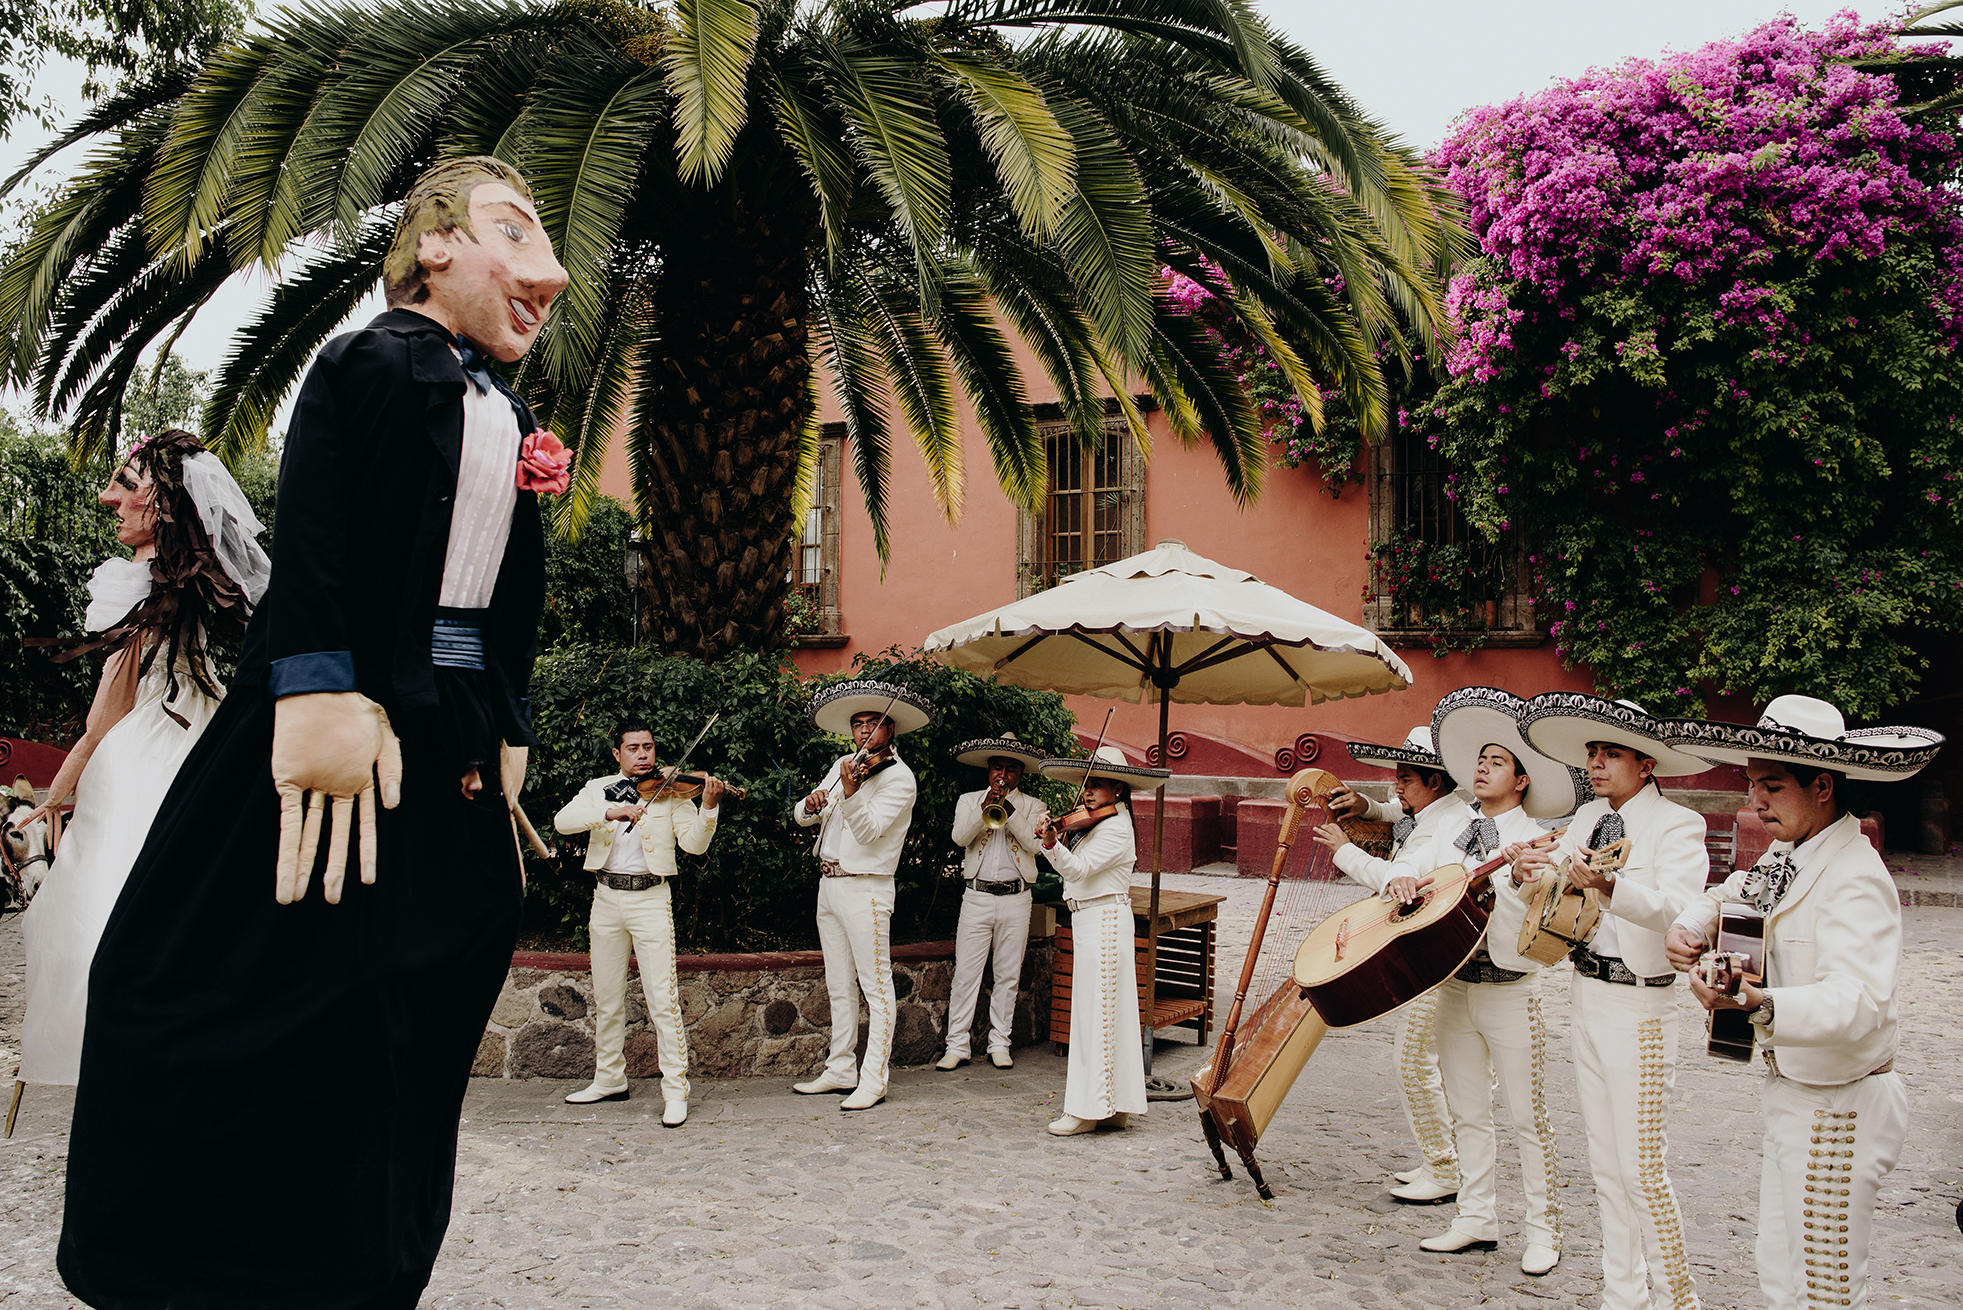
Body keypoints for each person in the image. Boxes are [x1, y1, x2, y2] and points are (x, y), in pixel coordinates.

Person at [56, 156, 569, 1310]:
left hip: (444, 743)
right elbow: (322, 538)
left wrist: (505, 716)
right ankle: (191, 1256)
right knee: (198, 971)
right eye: (511, 228)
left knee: (406, 1006)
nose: (550, 269)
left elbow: (501, 592)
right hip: (333, 728)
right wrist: (321, 687)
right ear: (433, 245)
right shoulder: (375, 357)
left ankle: (360, 1258)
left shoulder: (504, 403)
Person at [1663, 695, 1942, 1310]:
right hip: (1794, 1089)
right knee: (1780, 1271)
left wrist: (1762, 1005)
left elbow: (1859, 1001)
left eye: (1772, 786)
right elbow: (1735, 890)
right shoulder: (1792, 850)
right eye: (1752, 783)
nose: (1756, 801)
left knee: (1826, 1284)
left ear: (1821, 785)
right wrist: (1693, 922)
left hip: (1841, 1105)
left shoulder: (1854, 875)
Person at [14, 430, 268, 1105]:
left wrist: (59, 791)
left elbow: (108, 713)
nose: (107, 498)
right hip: (193, 745)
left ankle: (122, 1054)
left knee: (101, 905)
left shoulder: (148, 592)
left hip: (140, 756)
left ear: (159, 506)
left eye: (123, 485)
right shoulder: (182, 591)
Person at [1517, 693, 1716, 1310]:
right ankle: (1622, 1294)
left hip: (1642, 1005)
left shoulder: (1677, 824)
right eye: (1593, 753)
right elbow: (1553, 890)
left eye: (1612, 753)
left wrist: (1613, 885)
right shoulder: (1585, 819)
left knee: (1642, 1170)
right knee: (1604, 1163)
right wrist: (1525, 874)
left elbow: (1680, 908)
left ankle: (1679, 1300)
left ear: (1647, 763)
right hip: (1586, 990)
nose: (1598, 764)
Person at [1409, 686, 1585, 1276]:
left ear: (1523, 780)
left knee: (1526, 1116)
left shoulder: (1538, 843)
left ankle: (1543, 1230)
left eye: (1497, 761)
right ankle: (1475, 1217)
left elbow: (1536, 916)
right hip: (1454, 984)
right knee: (1466, 1109)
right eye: (1480, 760)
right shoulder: (1452, 827)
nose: (1482, 768)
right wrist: (1404, 882)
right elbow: (1414, 863)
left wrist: (1516, 879)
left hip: (1511, 988)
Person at [1311, 724, 1470, 1203]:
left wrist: (1344, 851)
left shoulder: (1445, 825)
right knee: (1428, 1062)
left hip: (1436, 956)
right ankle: (1438, 1159)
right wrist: (1364, 807)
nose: (1395, 787)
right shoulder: (1434, 808)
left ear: (1435, 781)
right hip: (1434, 949)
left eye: (1405, 777)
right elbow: (1394, 811)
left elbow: (1403, 877)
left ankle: (1444, 1168)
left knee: (1415, 1062)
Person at [553, 721, 725, 1125]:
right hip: (606, 897)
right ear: (618, 754)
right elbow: (563, 821)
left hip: (650, 898)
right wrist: (611, 811)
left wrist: (710, 807)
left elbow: (694, 845)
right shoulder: (599, 788)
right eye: (633, 748)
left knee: (663, 999)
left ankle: (676, 1090)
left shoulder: (670, 789)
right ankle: (610, 1078)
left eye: (648, 746)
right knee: (607, 997)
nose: (643, 754)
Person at [790, 679, 934, 1111]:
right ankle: (839, 1069)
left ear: (891, 731)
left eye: (874, 724)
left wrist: (850, 793)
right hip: (829, 884)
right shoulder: (842, 764)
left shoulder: (900, 779)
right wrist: (811, 805)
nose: (865, 731)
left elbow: (869, 832)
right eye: (858, 724)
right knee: (838, 983)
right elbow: (803, 818)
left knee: (876, 986)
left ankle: (874, 1079)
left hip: (867, 887)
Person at [1035, 745, 1169, 1136]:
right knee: (1106, 1015)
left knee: (1098, 1016)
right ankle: (1115, 1107)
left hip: (1105, 918)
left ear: (1119, 790)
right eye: (1086, 785)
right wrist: (1056, 836)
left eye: (1097, 785)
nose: (1088, 792)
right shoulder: (1097, 823)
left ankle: (1086, 1108)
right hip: (1092, 918)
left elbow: (1079, 869)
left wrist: (1051, 844)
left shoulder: (1116, 828)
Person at [938, 733, 1049, 1071]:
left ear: (1020, 774)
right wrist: (984, 807)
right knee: (966, 974)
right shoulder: (968, 800)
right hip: (976, 896)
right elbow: (959, 838)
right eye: (997, 768)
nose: (1003, 775)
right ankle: (956, 1045)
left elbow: (1033, 846)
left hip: (1016, 898)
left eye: (1011, 770)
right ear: (988, 770)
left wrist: (1009, 810)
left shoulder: (1034, 806)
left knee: (1008, 976)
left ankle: (1000, 1043)